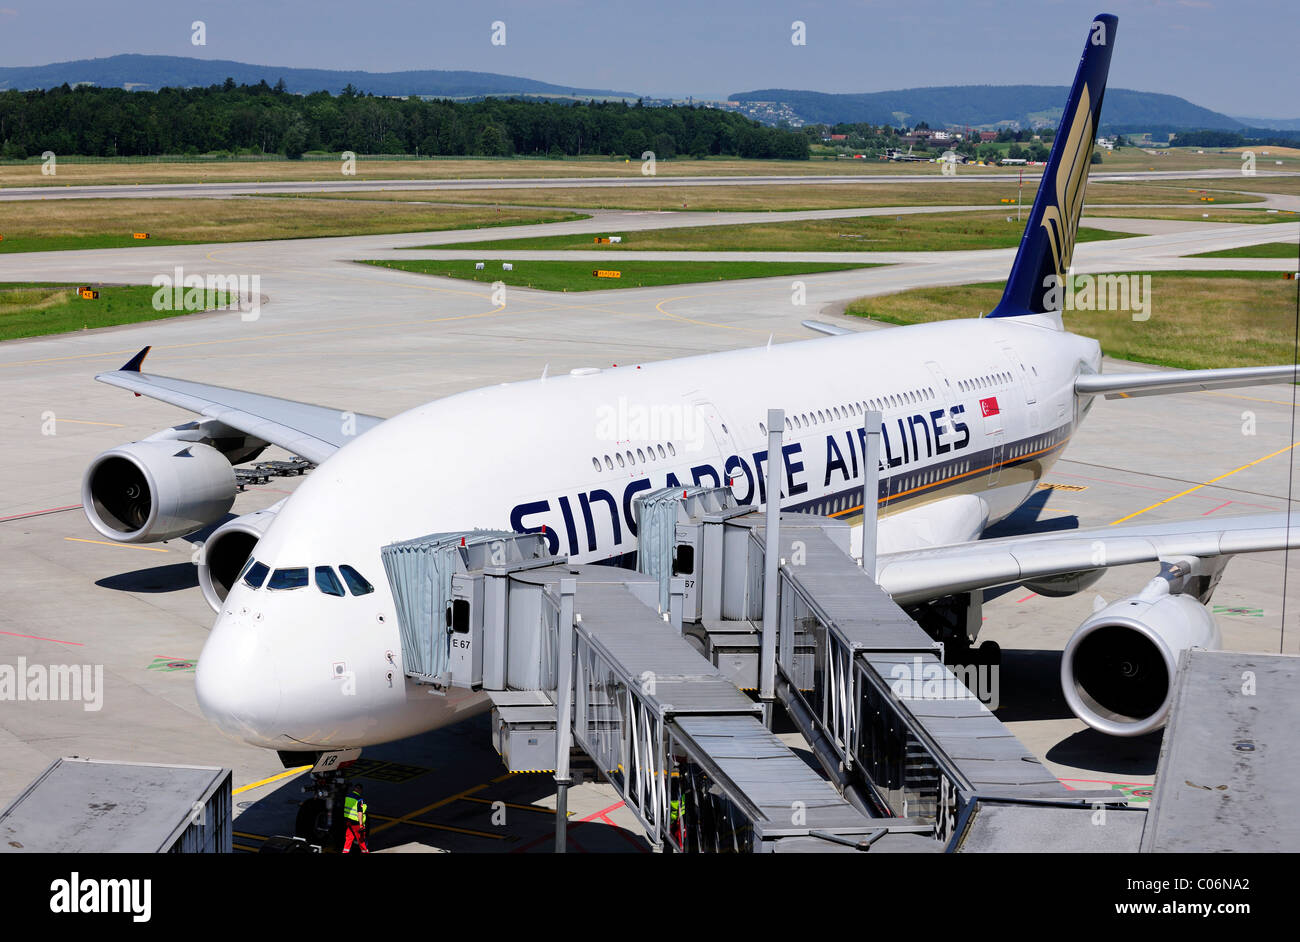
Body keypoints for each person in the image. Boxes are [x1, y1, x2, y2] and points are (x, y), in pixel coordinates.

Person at [342, 783, 369, 854]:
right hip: (356, 824)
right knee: (361, 841)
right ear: (360, 790)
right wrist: (361, 825)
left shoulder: (347, 797)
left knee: (348, 840)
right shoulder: (359, 799)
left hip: (348, 822)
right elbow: (360, 812)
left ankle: (345, 852)